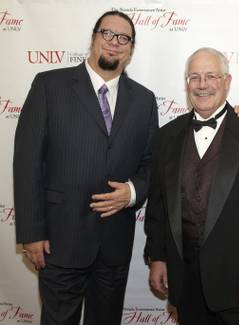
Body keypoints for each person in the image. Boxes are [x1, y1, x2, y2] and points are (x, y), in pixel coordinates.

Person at [13, 10, 158, 325]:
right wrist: (31, 232)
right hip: (59, 241)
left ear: (131, 49)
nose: (114, 43)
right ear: (93, 37)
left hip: (114, 245)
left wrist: (132, 192)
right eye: (107, 33)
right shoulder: (50, 85)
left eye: (124, 38)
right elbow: (27, 163)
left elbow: (150, 165)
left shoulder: (144, 101)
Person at [144, 47, 239, 325]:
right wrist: (158, 257)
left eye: (211, 76)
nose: (202, 85)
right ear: (187, 84)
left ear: (227, 81)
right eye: (194, 77)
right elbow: (159, 205)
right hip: (185, 282)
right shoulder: (167, 136)